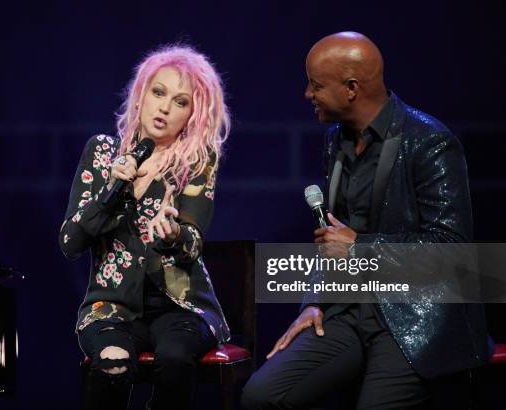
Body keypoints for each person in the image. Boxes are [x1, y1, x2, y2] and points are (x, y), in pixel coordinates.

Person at [241, 32, 490, 409]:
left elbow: (452, 252)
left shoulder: (429, 142)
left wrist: (359, 247)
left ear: (351, 88)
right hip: (349, 308)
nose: (308, 94)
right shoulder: (333, 143)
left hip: (415, 318)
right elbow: (330, 238)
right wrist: (314, 302)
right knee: (262, 396)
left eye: (316, 85)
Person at [58, 45, 231, 410]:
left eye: (181, 102)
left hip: (181, 307)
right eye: (158, 93)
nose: (166, 108)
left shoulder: (197, 162)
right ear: (140, 97)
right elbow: (71, 243)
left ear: (192, 116)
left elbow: (193, 243)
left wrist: (172, 235)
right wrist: (112, 193)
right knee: (113, 360)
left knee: (174, 358)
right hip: (111, 305)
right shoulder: (103, 153)